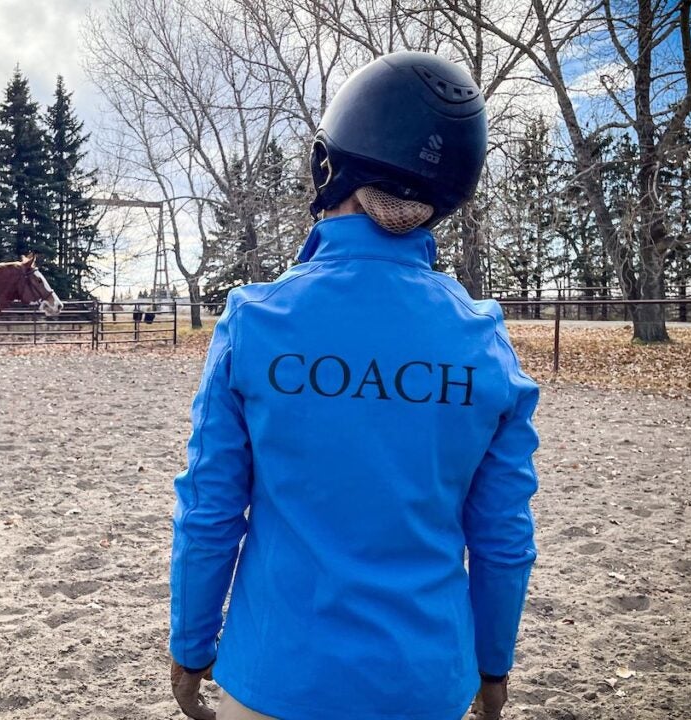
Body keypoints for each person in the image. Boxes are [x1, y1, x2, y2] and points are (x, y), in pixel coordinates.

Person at [167, 51, 539, 720]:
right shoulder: (483, 341)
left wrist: (191, 647)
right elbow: (502, 537)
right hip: (426, 682)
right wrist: (493, 665)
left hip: (277, 677)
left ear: (325, 164)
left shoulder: (255, 321)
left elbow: (210, 513)